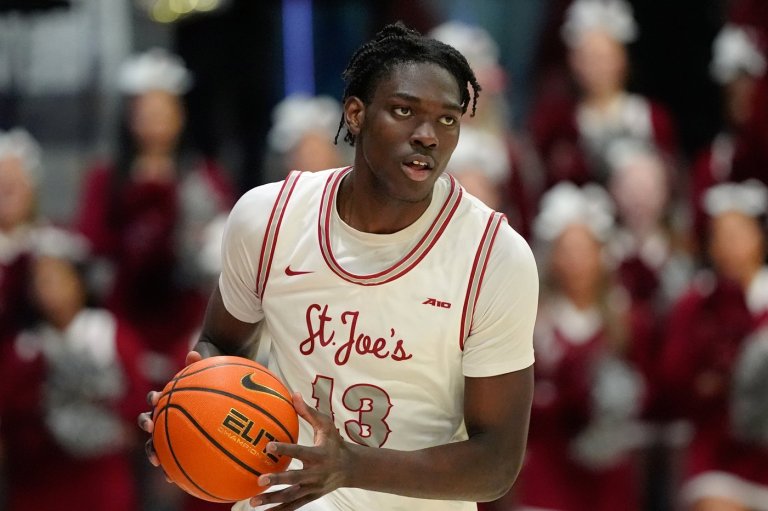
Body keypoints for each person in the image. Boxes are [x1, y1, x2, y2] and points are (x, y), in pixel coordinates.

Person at [139, 21, 538, 511]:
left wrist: (351, 466)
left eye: (447, 119)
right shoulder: (269, 219)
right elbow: (222, 345)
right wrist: (186, 409)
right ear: (356, 114)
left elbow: (496, 464)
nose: (428, 136)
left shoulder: (494, 256)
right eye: (404, 111)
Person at [74, 48, 235, 384]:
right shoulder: (106, 180)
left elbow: (226, 253)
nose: (155, 118)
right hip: (124, 317)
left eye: (164, 109)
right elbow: (90, 249)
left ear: (180, 114)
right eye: (145, 110)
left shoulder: (204, 177)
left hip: (189, 319)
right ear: (130, 116)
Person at [0, 227, 149, 511]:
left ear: (79, 280)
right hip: (38, 483)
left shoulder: (109, 333)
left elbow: (140, 403)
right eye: (39, 280)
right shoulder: (23, 347)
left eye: (57, 277)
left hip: (100, 481)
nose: (48, 288)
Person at [517, 182, 645, 511]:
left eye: (585, 250)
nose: (576, 261)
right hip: (547, 472)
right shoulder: (535, 320)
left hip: (609, 473)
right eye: (567, 251)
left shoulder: (625, 320)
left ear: (602, 255)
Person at [660, 180, 768, 511]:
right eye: (721, 236)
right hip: (717, 453)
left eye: (738, 234)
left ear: (759, 237)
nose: (729, 245)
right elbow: (673, 375)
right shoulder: (696, 303)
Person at [529, 0, 678, 189]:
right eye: (587, 58)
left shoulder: (651, 117)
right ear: (573, 62)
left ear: (622, 59)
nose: (596, 68)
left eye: (603, 57)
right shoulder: (558, 122)